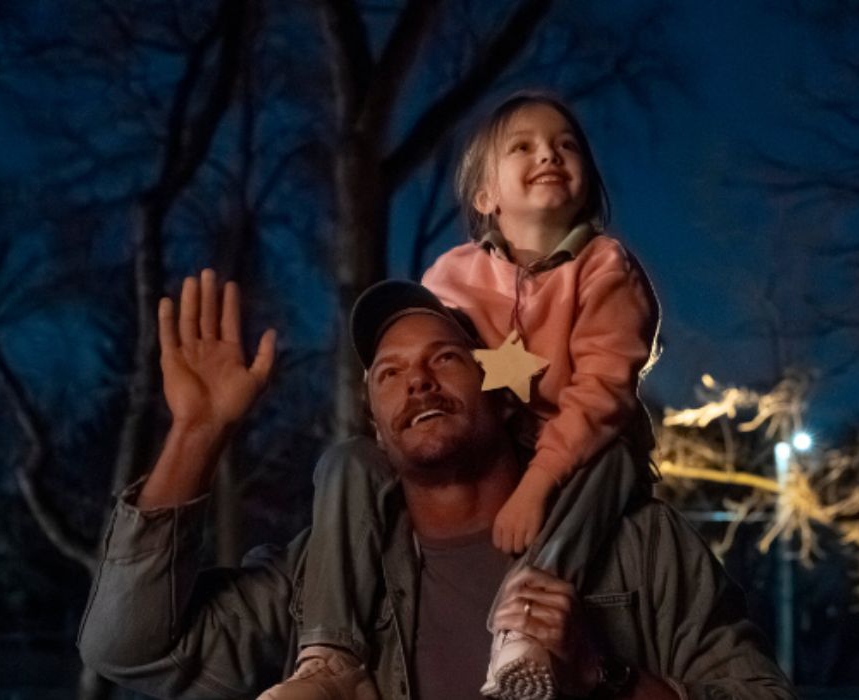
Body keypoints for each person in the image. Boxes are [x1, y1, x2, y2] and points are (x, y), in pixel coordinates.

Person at [77, 272, 794, 700]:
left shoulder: (635, 545)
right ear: (376, 423)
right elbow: (129, 650)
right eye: (388, 373)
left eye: (445, 357)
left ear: (502, 391)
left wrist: (599, 676)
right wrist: (196, 436)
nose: (415, 379)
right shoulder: (325, 568)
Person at [279, 92, 661, 700]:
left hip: (584, 445)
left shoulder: (605, 268)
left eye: (566, 144)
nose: (549, 154)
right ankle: (330, 655)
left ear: (587, 183)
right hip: (494, 441)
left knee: (612, 460)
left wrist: (537, 484)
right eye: (524, 146)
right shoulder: (451, 276)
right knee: (347, 461)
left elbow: (602, 389)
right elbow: (427, 362)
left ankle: (526, 625)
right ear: (486, 197)